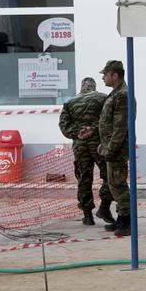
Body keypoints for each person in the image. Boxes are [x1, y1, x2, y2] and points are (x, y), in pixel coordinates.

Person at [58, 77, 114, 225]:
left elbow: (64, 126)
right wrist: (94, 130)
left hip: (80, 145)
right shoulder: (103, 98)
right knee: (109, 175)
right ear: (93, 86)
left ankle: (87, 215)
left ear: (82, 87)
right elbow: (109, 119)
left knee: (84, 178)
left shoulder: (70, 102)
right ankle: (104, 206)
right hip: (99, 144)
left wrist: (78, 132)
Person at [98, 60, 135, 236]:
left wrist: (111, 149)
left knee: (118, 185)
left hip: (117, 149)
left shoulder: (122, 95)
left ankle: (127, 222)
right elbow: (110, 124)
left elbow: (120, 127)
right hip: (112, 147)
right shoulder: (116, 94)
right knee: (114, 185)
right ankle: (122, 219)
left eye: (105, 74)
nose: (103, 78)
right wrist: (103, 144)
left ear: (115, 75)